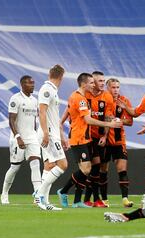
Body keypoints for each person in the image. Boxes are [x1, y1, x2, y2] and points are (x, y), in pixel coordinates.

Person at [57, 73, 122, 208]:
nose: (94, 85)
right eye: (92, 83)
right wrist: (109, 125)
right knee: (86, 169)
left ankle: (77, 201)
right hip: (79, 138)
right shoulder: (80, 98)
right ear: (84, 84)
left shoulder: (80, 97)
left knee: (87, 168)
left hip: (86, 138)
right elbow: (87, 119)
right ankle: (63, 191)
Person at [1, 75, 42, 204]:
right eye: (30, 83)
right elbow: (11, 120)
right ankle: (4, 193)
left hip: (32, 138)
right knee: (14, 168)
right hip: (18, 138)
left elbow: (34, 121)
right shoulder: (15, 99)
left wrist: (35, 134)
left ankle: (37, 196)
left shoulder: (35, 100)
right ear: (23, 85)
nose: (33, 85)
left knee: (35, 164)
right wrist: (18, 137)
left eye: (33, 83)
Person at [34, 64, 68, 211]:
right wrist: (46, 133)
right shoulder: (47, 89)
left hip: (52, 133)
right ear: (61, 77)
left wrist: (61, 136)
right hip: (47, 133)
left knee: (49, 166)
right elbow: (42, 112)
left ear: (50, 74)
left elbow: (53, 117)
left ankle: (45, 202)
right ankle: (38, 194)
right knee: (63, 164)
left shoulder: (53, 90)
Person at [100, 78, 134, 207]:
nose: (115, 90)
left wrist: (119, 120)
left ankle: (125, 199)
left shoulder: (124, 101)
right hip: (105, 141)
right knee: (103, 170)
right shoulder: (103, 100)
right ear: (107, 88)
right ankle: (104, 200)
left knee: (122, 169)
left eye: (117, 87)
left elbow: (130, 122)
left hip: (119, 141)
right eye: (113, 87)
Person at [82, 71, 114, 207]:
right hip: (85, 136)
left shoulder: (107, 96)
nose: (102, 83)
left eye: (103, 80)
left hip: (99, 138)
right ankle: (89, 199)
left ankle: (89, 199)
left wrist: (105, 135)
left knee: (96, 168)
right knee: (89, 168)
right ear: (92, 82)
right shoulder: (83, 94)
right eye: (99, 81)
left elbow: (108, 117)